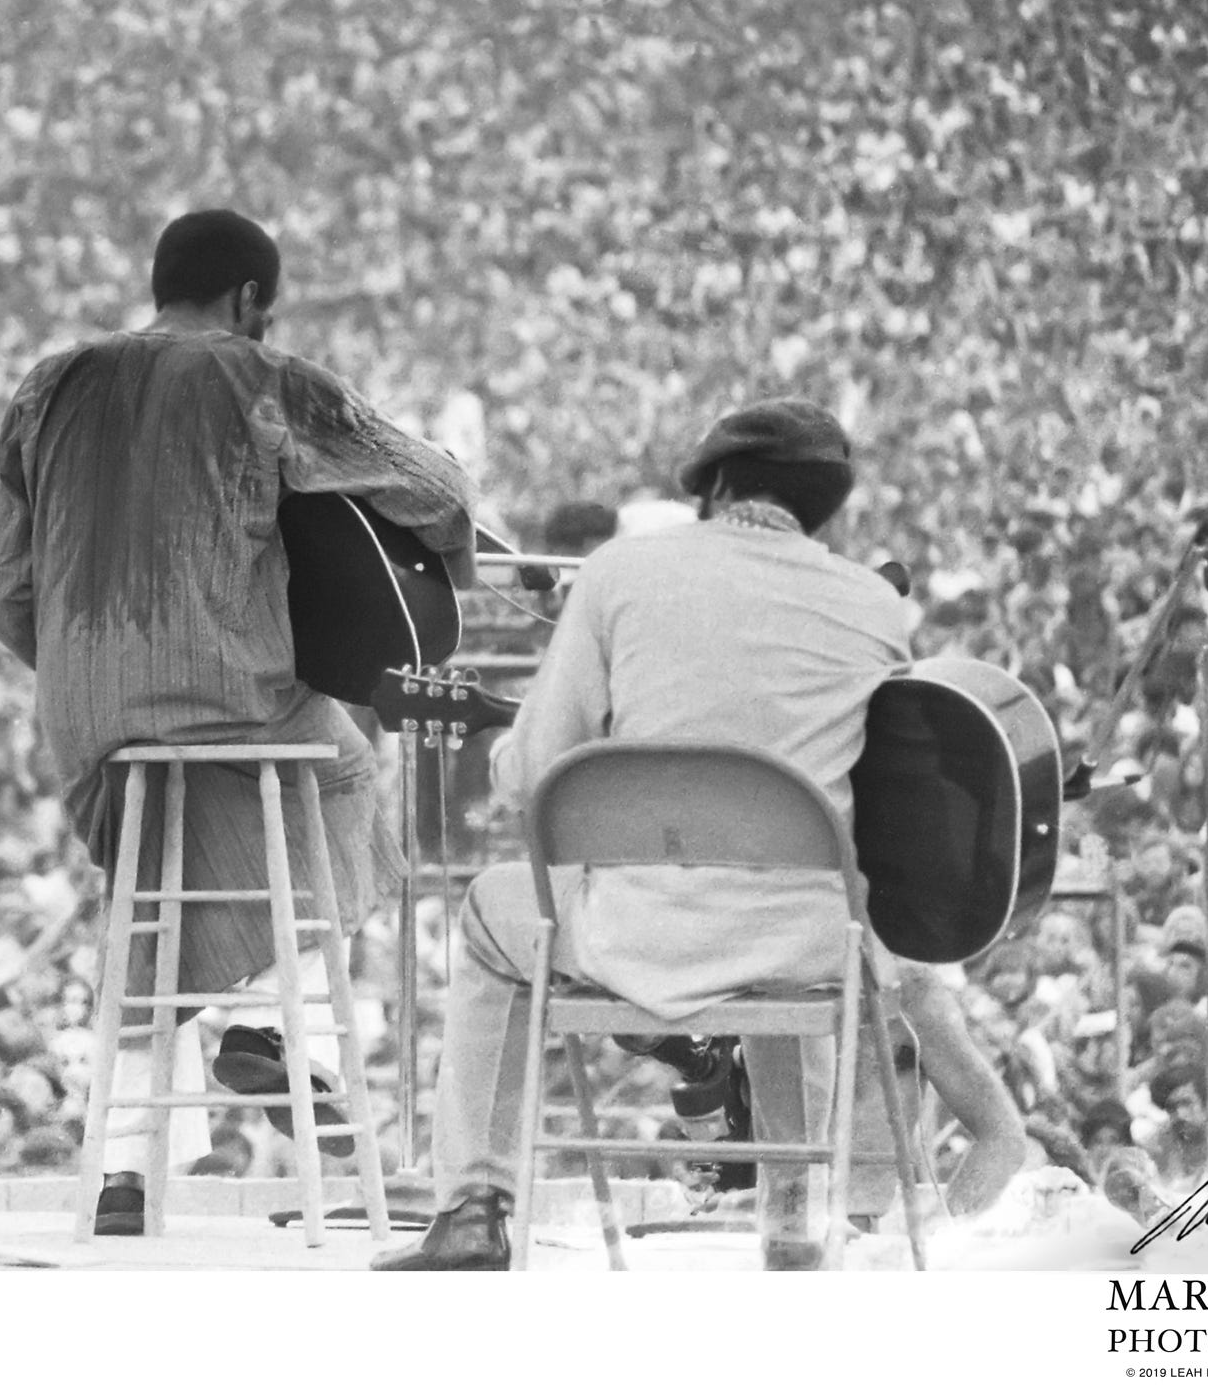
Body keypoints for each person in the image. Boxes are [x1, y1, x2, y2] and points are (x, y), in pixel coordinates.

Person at [373, 397, 1029, 1270]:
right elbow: (877, 803)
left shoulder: (619, 572)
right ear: (828, 508)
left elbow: (533, 778)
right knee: (801, 914)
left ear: (714, 485)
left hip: (636, 932)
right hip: (810, 948)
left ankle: (475, 1206)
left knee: (496, 916)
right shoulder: (876, 604)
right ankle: (795, 1219)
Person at [0, 209, 473, 1237]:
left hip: (88, 719)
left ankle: (121, 1170)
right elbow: (436, 485)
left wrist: (82, 667)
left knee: (150, 891)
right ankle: (262, 1019)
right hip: (234, 696)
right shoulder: (262, 376)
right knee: (348, 775)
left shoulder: (46, 386)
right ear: (247, 299)